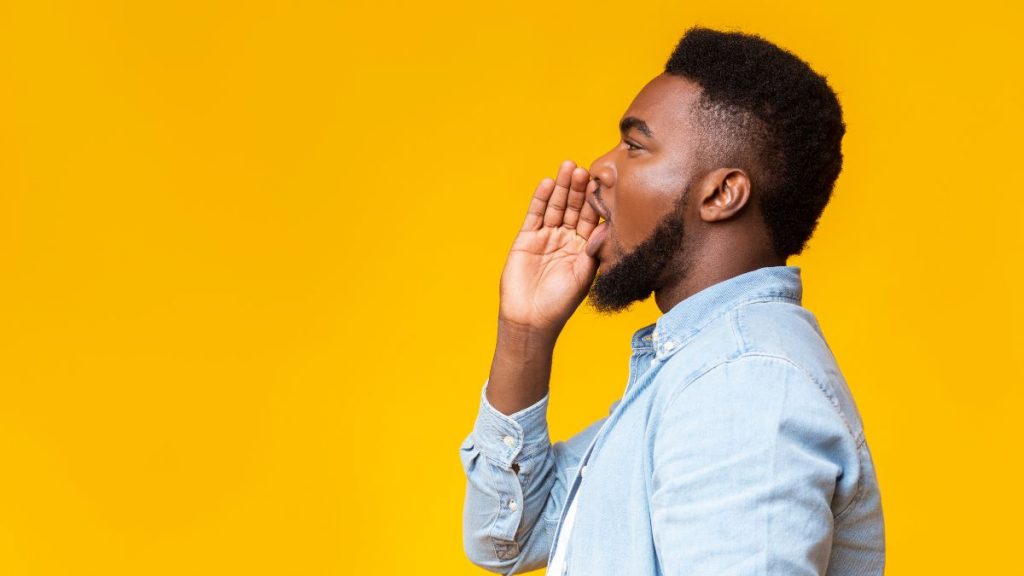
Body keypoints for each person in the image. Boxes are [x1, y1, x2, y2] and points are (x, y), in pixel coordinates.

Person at [458, 26, 884, 576]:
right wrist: (525, 334)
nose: (600, 168)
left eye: (635, 146)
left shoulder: (743, 384)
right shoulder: (695, 372)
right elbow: (507, 539)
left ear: (721, 194)